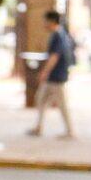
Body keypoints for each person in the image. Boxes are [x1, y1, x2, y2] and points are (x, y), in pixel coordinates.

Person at [29, 9, 76, 139]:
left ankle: (70, 132)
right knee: (41, 100)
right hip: (56, 76)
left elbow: (54, 56)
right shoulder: (62, 34)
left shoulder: (57, 36)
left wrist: (45, 72)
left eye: (45, 21)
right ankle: (38, 127)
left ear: (51, 21)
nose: (44, 24)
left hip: (56, 77)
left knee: (61, 104)